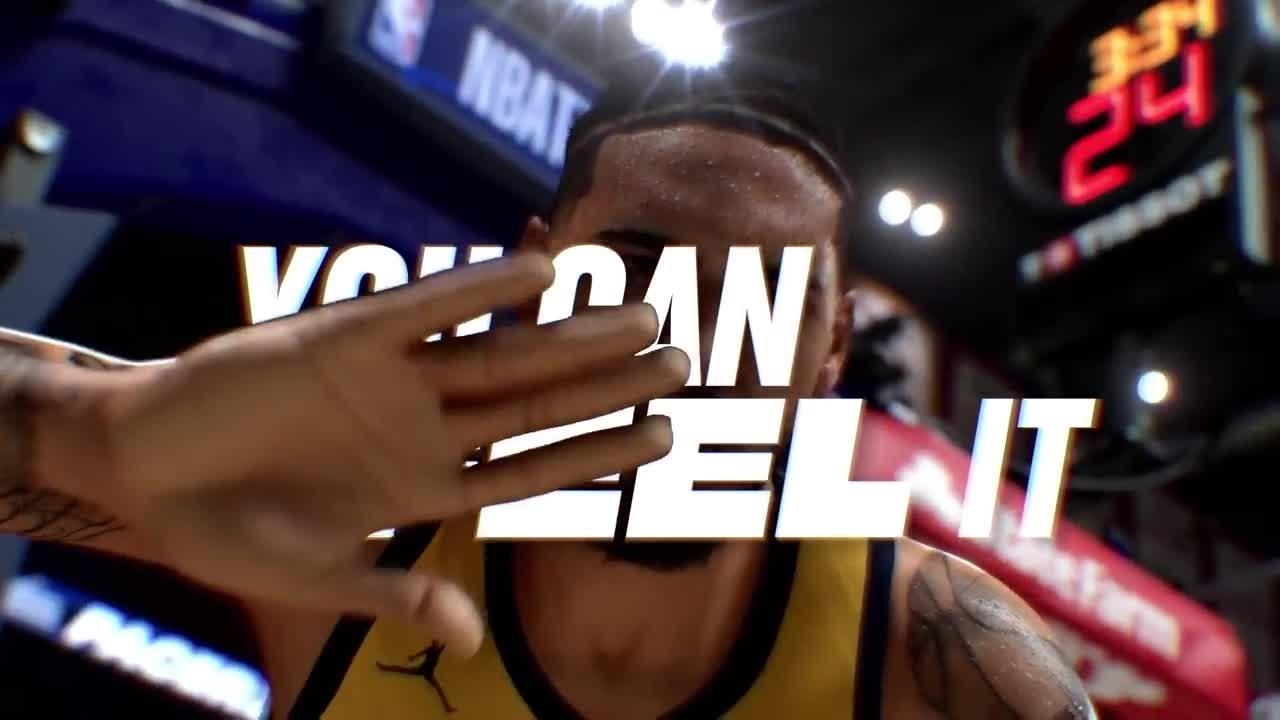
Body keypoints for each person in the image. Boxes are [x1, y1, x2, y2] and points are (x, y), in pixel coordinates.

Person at [0, 75, 1097, 720]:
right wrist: (103, 435)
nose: (692, 352)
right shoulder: (366, 529)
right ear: (538, 271)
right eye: (632, 273)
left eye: (764, 299)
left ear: (831, 348)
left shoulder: (933, 656)